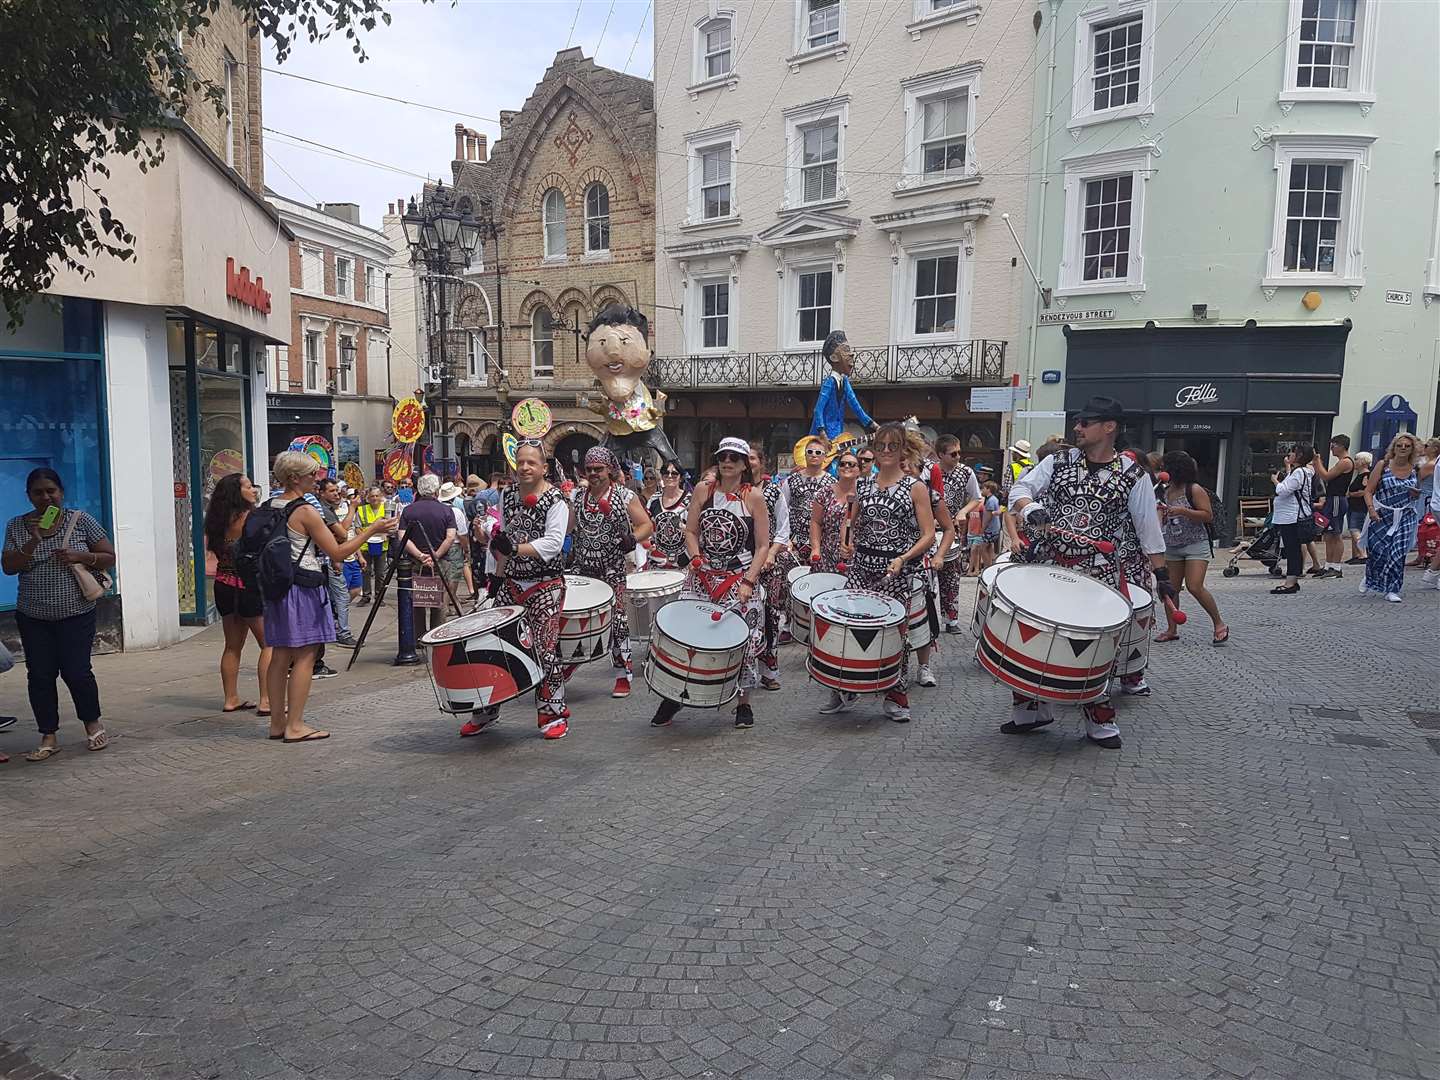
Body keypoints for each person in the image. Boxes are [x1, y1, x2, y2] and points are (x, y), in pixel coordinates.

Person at [1007, 396, 1173, 749]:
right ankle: (1030, 710)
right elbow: (1019, 489)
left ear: (1108, 427)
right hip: (1050, 564)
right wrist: (1032, 508)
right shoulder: (1058, 461)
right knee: (1037, 635)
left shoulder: (1134, 476)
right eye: (1077, 422)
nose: (1077, 428)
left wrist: (1162, 576)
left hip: (1099, 574)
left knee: (1094, 646)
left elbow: (1148, 530)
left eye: (1085, 422)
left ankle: (1099, 720)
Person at [259, 451, 393, 743]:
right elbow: (338, 551)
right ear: (295, 478)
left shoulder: (269, 505)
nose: (315, 479)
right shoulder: (305, 511)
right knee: (306, 655)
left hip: (276, 588)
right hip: (303, 587)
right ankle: (295, 725)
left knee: (280, 655)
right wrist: (373, 528)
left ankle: (277, 724)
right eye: (311, 475)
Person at [651, 437, 769, 730]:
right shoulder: (703, 490)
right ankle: (674, 695)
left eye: (734, 457)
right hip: (702, 576)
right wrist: (694, 559)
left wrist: (749, 581)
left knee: (745, 640)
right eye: (722, 456)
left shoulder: (753, 496)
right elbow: (690, 531)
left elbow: (763, 546)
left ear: (744, 464)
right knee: (688, 636)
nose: (727, 461)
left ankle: (743, 703)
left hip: (738, 576)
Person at [823, 422, 936, 723]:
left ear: (902, 449)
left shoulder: (915, 487)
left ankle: (895, 693)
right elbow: (852, 521)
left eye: (893, 446)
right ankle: (845, 687)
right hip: (861, 567)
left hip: (895, 569)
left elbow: (928, 534)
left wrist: (904, 557)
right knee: (851, 626)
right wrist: (848, 545)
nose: (886, 451)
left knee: (893, 633)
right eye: (881, 445)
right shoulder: (863, 484)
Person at [2, 467, 117, 761]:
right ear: (29, 496)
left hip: (76, 612)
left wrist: (81, 556)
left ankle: (92, 724)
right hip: (32, 614)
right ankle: (48, 734)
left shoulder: (80, 521)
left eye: (51, 491)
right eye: (38, 492)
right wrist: (34, 539)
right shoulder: (16, 526)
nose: (45, 497)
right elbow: (9, 566)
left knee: (77, 672)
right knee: (40, 675)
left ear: (61, 492)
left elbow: (109, 556)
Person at [469, 440, 573, 739]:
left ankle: (552, 712)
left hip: (545, 584)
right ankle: (487, 709)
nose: (525, 467)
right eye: (521, 462)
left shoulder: (556, 500)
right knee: (494, 646)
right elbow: (503, 538)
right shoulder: (508, 494)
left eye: (531, 462)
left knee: (545, 650)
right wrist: (497, 578)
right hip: (511, 582)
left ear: (544, 467)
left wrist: (515, 548)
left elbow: (553, 544)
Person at [570, 446, 654, 697]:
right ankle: (569, 663)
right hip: (583, 568)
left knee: (617, 622)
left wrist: (632, 538)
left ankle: (622, 673)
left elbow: (646, 525)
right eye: (589, 469)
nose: (594, 473)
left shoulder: (625, 495)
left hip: (612, 569)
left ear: (610, 469)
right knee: (575, 621)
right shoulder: (577, 496)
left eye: (599, 469)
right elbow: (568, 528)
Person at [767, 437, 835, 685]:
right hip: (794, 541)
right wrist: (786, 539)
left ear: (825, 456)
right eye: (810, 452)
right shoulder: (791, 480)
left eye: (818, 452)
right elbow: (782, 509)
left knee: (817, 585)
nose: (814, 455)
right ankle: (788, 624)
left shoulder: (831, 482)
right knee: (788, 582)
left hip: (820, 541)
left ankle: (816, 626)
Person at [204, 473, 272, 715]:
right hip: (249, 585)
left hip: (223, 583)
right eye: (248, 485)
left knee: (232, 646)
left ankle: (230, 698)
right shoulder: (251, 517)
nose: (253, 489)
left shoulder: (216, 519)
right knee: (269, 644)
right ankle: (266, 700)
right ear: (237, 492)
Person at [1155, 451, 1228, 646]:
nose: (1162, 471)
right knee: (1171, 590)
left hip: (1196, 543)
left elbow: (1207, 515)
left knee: (1195, 586)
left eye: (1165, 467)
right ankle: (1172, 629)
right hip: (1172, 543)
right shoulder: (1164, 490)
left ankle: (1219, 624)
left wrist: (1183, 511)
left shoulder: (1194, 489)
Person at [1360, 433, 1422, 602]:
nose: (1403, 448)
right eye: (1399, 445)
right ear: (1394, 447)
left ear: (1412, 449)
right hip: (1382, 514)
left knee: (1398, 552)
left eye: (1407, 446)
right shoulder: (1383, 465)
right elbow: (1368, 491)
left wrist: (1416, 494)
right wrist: (1371, 510)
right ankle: (1371, 577)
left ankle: (1393, 588)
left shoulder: (1415, 468)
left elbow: (1417, 492)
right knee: (1378, 551)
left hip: (1405, 514)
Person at [399, 474, 459, 636]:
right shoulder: (446, 511)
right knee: (438, 602)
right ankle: (436, 635)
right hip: (440, 561)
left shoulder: (409, 510)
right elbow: (450, 537)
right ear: (436, 490)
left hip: (415, 562)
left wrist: (420, 555)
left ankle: (418, 636)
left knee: (417, 600)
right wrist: (435, 555)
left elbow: (402, 537)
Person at [934, 435, 981, 633]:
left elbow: (976, 498)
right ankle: (924, 617)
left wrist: (963, 511)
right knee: (925, 576)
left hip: (952, 529)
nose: (958, 457)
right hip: (928, 528)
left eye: (959, 452)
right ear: (940, 455)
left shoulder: (966, 472)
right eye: (953, 454)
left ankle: (951, 619)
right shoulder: (929, 471)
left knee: (951, 576)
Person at [1267, 444, 1316, 595]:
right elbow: (1290, 482)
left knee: (1292, 549)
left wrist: (1275, 481)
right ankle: (1292, 580)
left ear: (1300, 455)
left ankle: (1291, 582)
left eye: (1293, 452)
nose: (1290, 454)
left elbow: (1283, 490)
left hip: (1291, 517)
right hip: (1290, 516)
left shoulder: (1299, 473)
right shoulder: (1301, 471)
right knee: (1293, 549)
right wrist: (1288, 467)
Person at [810, 330, 878, 440]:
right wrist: (822, 433)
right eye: (846, 350)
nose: (851, 354)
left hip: (838, 435)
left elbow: (856, 408)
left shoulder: (845, 382)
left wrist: (875, 426)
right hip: (822, 439)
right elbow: (818, 410)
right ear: (834, 358)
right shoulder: (829, 383)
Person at [316, 478, 357, 647]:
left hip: (327, 559)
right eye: (331, 491)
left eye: (337, 490)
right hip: (325, 560)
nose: (336, 493)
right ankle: (343, 632)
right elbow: (342, 533)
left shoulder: (327, 509)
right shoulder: (324, 509)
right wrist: (353, 508)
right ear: (322, 493)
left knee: (333, 595)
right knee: (341, 595)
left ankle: (332, 625)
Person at [811, 447, 860, 575]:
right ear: (837, 469)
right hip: (827, 554)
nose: (846, 466)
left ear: (858, 470)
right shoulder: (825, 492)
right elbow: (816, 522)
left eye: (851, 464)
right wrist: (816, 548)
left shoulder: (864, 494)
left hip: (855, 556)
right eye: (842, 464)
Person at [1311, 435, 1354, 579]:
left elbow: (1326, 476)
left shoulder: (1345, 462)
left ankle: (1336, 566)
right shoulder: (1341, 462)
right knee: (1328, 534)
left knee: (1336, 533)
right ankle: (1328, 564)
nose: (1331, 448)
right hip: (1332, 499)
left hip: (1337, 499)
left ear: (1341, 445)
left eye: (1333, 445)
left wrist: (1317, 462)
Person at [645, 461, 690, 569]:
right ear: (661, 476)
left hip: (682, 564)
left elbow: (695, 532)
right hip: (656, 563)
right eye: (666, 473)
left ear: (681, 477)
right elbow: (646, 525)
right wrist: (647, 542)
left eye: (674, 473)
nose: (670, 476)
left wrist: (682, 527)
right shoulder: (654, 499)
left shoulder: (690, 500)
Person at [438, 481, 474, 599]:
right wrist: (466, 549)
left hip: (439, 546)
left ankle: (447, 602)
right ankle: (448, 602)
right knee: (453, 577)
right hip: (454, 546)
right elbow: (462, 534)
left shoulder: (438, 510)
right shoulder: (457, 512)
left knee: (442, 575)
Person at [354, 487, 390, 604]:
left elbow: (392, 526)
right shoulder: (362, 510)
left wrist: (386, 533)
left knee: (380, 573)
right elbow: (357, 527)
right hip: (366, 545)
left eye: (376, 496)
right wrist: (366, 536)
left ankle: (379, 597)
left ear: (381, 497)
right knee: (366, 571)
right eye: (372, 496)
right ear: (368, 498)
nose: (374, 498)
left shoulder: (386, 509)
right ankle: (366, 596)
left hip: (381, 545)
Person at [1345, 451, 1373, 565]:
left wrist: (1351, 494)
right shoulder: (1359, 475)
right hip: (1353, 505)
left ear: (1363, 462)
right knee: (1353, 529)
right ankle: (1355, 554)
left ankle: (1363, 554)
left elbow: (1364, 491)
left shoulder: (1366, 475)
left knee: (1355, 528)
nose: (1355, 462)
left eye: (1356, 459)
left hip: (1360, 506)